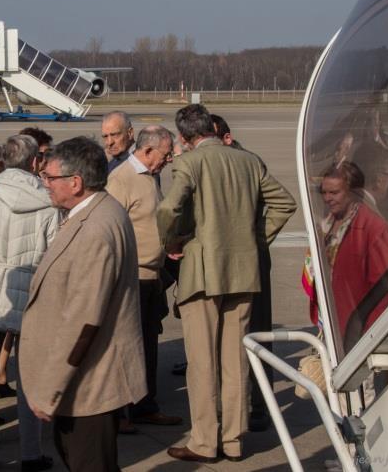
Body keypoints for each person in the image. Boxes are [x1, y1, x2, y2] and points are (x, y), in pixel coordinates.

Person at [157, 104, 296, 463]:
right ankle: (234, 439)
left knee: (202, 362)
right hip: (243, 270)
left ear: (186, 138)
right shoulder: (248, 160)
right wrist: (253, 241)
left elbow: (168, 209)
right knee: (236, 360)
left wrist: (172, 242)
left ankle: (205, 440)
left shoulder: (189, 162)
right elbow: (284, 203)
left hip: (203, 273)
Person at [20, 136, 146, 472]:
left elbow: (83, 321)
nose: (44, 184)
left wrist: (49, 389)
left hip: (88, 385)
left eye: (50, 178)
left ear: (75, 183)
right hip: (82, 382)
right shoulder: (89, 212)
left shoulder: (96, 230)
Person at [0, 135, 59, 472]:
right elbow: (54, 253)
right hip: (31, 291)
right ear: (34, 163)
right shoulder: (48, 201)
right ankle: (30, 452)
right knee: (30, 378)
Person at [106, 125, 182, 429]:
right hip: (132, 278)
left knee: (148, 344)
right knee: (128, 347)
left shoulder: (149, 177)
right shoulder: (121, 179)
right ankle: (121, 411)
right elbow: (110, 230)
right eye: (165, 154)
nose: (169, 160)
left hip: (153, 276)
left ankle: (144, 405)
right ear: (148, 150)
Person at [212, 113, 275, 432]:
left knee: (258, 328)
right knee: (225, 333)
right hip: (224, 258)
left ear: (226, 138)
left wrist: (259, 239)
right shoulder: (211, 162)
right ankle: (231, 403)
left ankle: (260, 404)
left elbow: (279, 204)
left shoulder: (249, 163)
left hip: (251, 257)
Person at [318, 161, 388, 350]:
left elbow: (383, 287)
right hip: (331, 322)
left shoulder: (373, 228)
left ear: (352, 192)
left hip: (357, 330)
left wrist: (369, 333)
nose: (327, 198)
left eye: (334, 193)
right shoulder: (325, 225)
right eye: (324, 192)